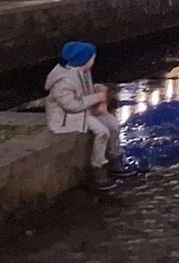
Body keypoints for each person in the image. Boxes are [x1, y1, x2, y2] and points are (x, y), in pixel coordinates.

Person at [44, 41, 121, 189]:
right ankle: (98, 168)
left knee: (112, 123)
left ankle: (115, 157)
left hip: (84, 111)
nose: (93, 61)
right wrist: (97, 98)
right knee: (102, 132)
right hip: (66, 118)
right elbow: (72, 106)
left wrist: (94, 89)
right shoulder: (63, 82)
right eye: (92, 58)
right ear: (85, 60)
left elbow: (82, 93)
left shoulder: (83, 73)